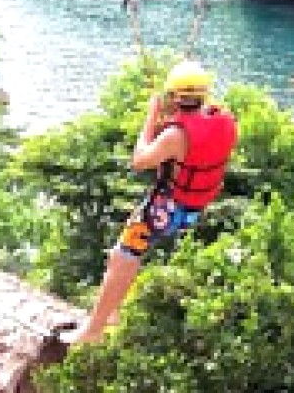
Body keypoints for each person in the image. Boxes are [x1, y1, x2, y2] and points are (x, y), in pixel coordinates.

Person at [62, 60, 238, 345]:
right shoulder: (227, 122)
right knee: (125, 254)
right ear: (205, 94)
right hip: (194, 208)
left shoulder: (174, 134)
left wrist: (151, 117)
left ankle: (92, 332)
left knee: (122, 257)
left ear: (174, 96)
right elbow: (199, 142)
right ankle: (114, 316)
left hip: (165, 209)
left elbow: (140, 160)